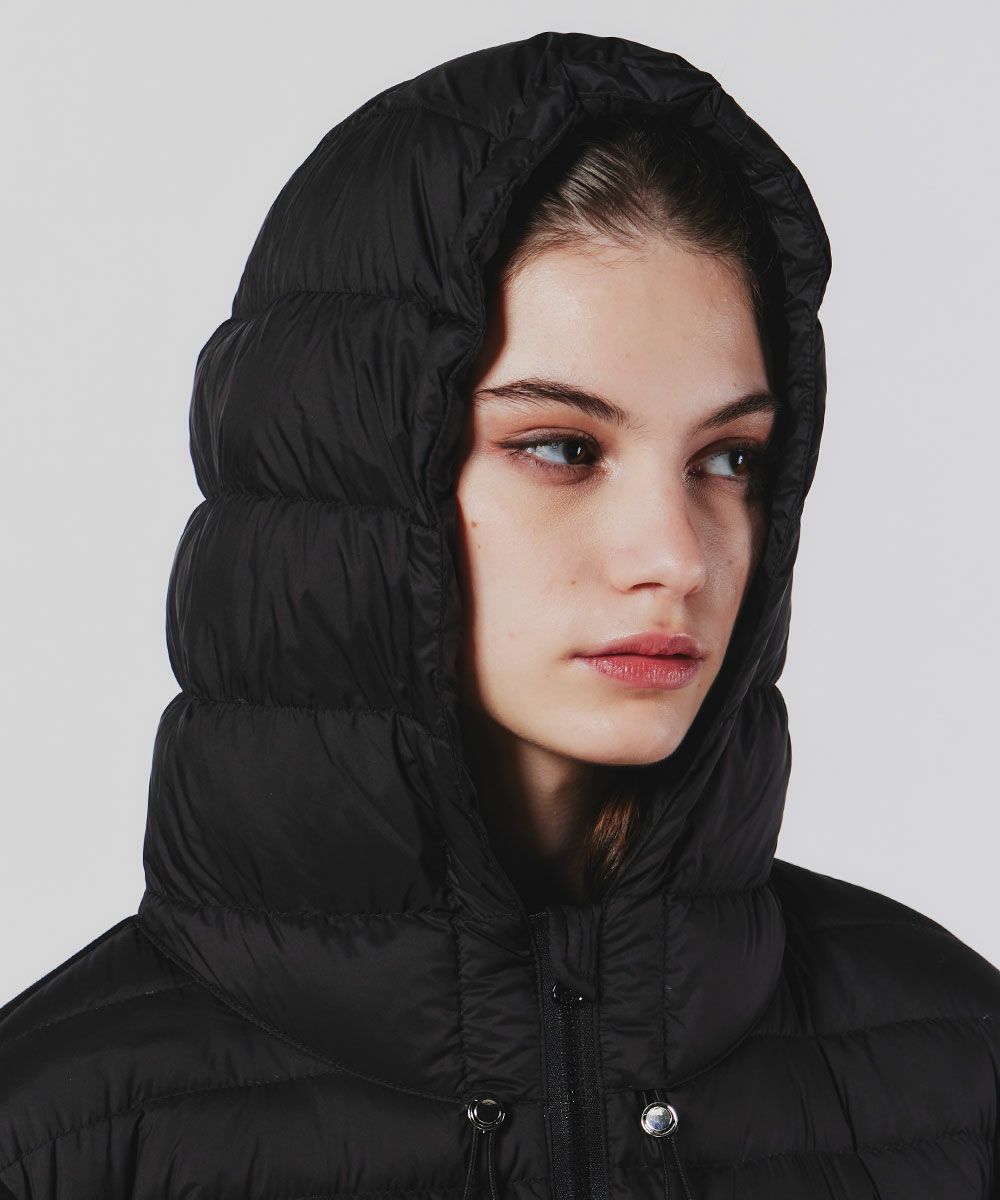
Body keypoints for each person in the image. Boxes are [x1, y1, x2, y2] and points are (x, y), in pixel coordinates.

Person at [0, 29, 997, 1200]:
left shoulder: (960, 1074)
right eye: (562, 448)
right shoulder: (58, 1139)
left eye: (728, 459)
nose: (674, 556)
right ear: (363, 478)